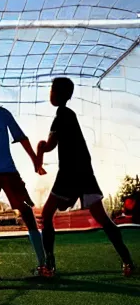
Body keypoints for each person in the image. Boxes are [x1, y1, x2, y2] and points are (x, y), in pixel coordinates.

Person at [37, 77, 135, 276]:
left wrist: (39, 149)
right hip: (84, 172)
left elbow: (50, 145)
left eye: (52, 89)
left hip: (69, 173)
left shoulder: (61, 115)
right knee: (103, 218)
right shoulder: (69, 115)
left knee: (47, 214)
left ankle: (49, 265)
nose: (50, 93)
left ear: (58, 94)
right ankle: (128, 261)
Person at [0, 79, 50, 280]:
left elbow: (21, 137)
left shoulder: (3, 114)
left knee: (26, 212)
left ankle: (43, 265)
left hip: (8, 172)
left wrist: (35, 161)